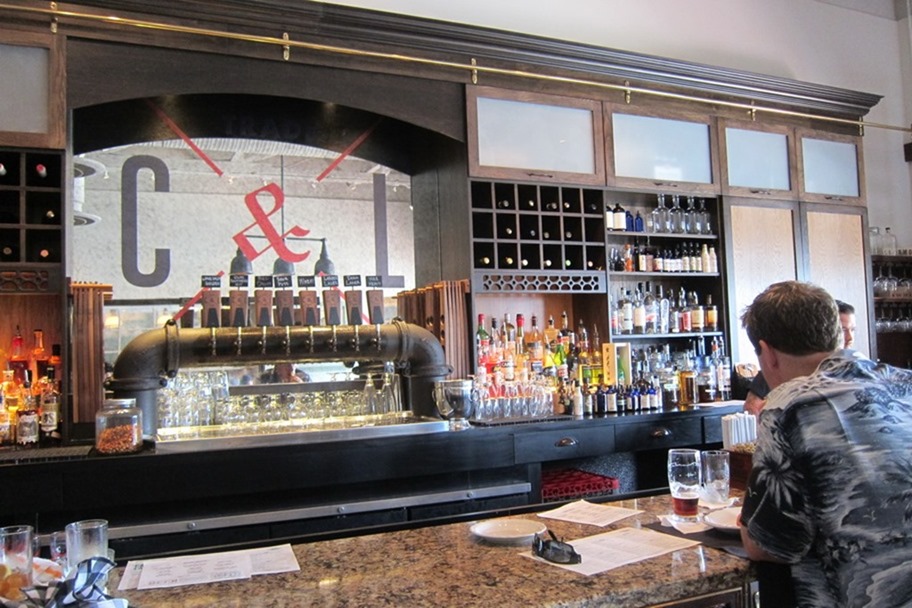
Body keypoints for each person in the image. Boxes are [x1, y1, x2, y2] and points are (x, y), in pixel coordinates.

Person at [738, 281, 912, 607]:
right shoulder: (904, 382)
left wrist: (745, 524)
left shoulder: (789, 406)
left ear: (767, 352)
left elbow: (769, 545)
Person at [742, 298, 856, 416]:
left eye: (853, 330)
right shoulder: (777, 369)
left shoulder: (853, 371)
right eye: (843, 330)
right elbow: (752, 408)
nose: (850, 338)